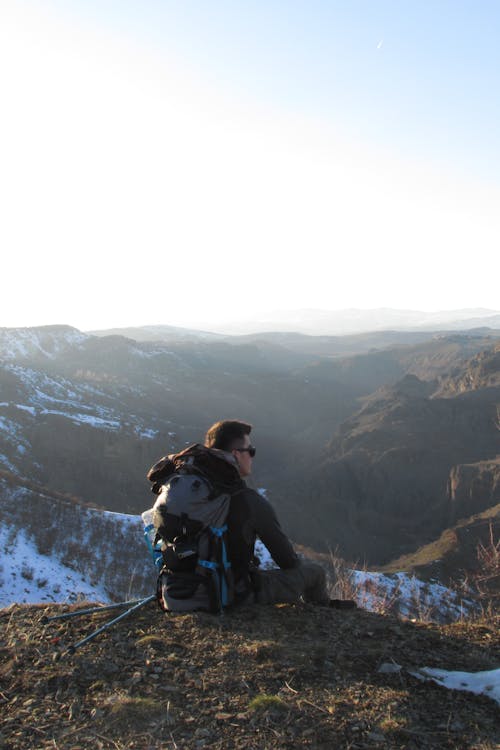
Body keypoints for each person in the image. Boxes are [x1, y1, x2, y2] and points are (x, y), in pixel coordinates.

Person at [204, 419, 334, 607]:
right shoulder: (248, 500)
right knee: (315, 573)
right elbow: (288, 561)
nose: (252, 456)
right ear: (236, 455)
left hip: (179, 592)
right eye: (251, 450)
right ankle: (323, 619)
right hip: (230, 594)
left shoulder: (188, 489)